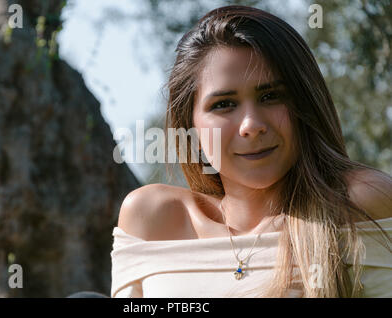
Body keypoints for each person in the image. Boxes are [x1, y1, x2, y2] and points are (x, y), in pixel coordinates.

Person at [111, 5, 392, 298]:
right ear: (190, 125)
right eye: (223, 104)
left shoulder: (358, 204)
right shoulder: (152, 218)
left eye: (271, 96)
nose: (252, 125)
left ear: (304, 106)